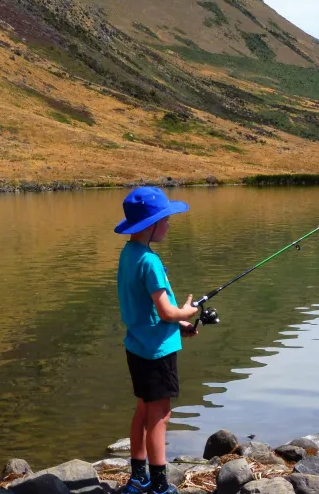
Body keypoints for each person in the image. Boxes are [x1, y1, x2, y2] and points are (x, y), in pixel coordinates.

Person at [114, 187, 199, 494]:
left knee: (142, 410)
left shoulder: (128, 254)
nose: (169, 224)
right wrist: (186, 311)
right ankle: (160, 486)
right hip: (157, 352)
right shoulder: (150, 261)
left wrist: (181, 322)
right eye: (166, 219)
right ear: (151, 225)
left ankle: (138, 478)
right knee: (160, 416)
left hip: (137, 346)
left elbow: (147, 308)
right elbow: (165, 311)